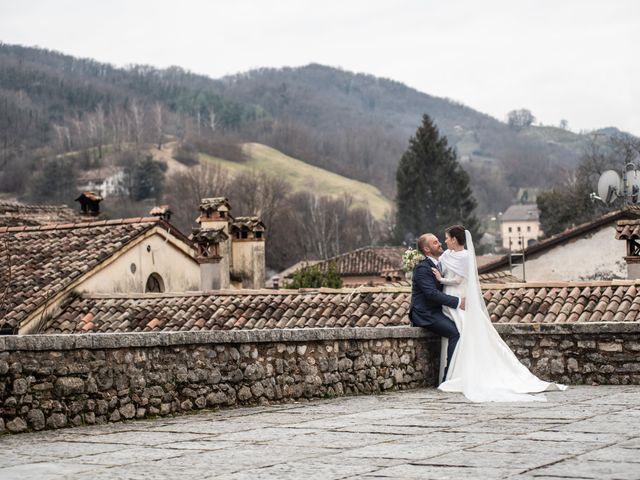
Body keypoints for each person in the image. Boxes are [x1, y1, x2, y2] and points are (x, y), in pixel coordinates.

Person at [435, 225, 567, 402]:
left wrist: (440, 279)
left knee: (465, 330)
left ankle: (463, 373)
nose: (444, 241)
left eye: (447, 238)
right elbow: (439, 264)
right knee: (458, 330)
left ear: (454, 239)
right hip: (448, 297)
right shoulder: (446, 255)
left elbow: (459, 279)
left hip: (458, 297)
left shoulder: (465, 257)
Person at [409, 233, 465, 382]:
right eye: (435, 243)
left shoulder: (441, 263)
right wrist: (459, 302)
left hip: (438, 310)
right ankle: (449, 377)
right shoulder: (422, 269)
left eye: (439, 241)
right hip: (425, 313)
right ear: (427, 249)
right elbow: (431, 294)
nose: (440, 244)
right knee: (455, 332)